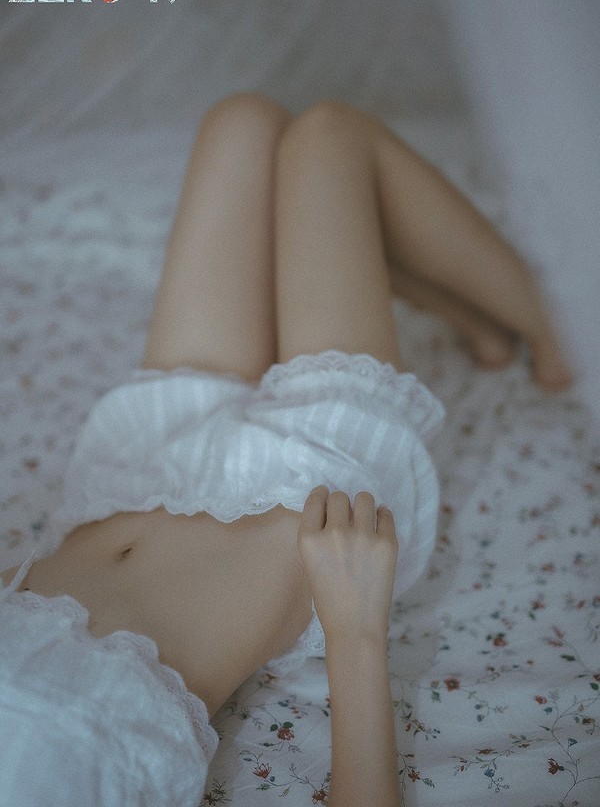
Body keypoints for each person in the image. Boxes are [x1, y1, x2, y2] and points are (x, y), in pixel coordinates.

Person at [0, 92, 573, 807]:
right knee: (330, 139)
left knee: (244, 124)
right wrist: (354, 630)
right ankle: (561, 325)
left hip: (141, 466)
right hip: (306, 509)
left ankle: (468, 319)